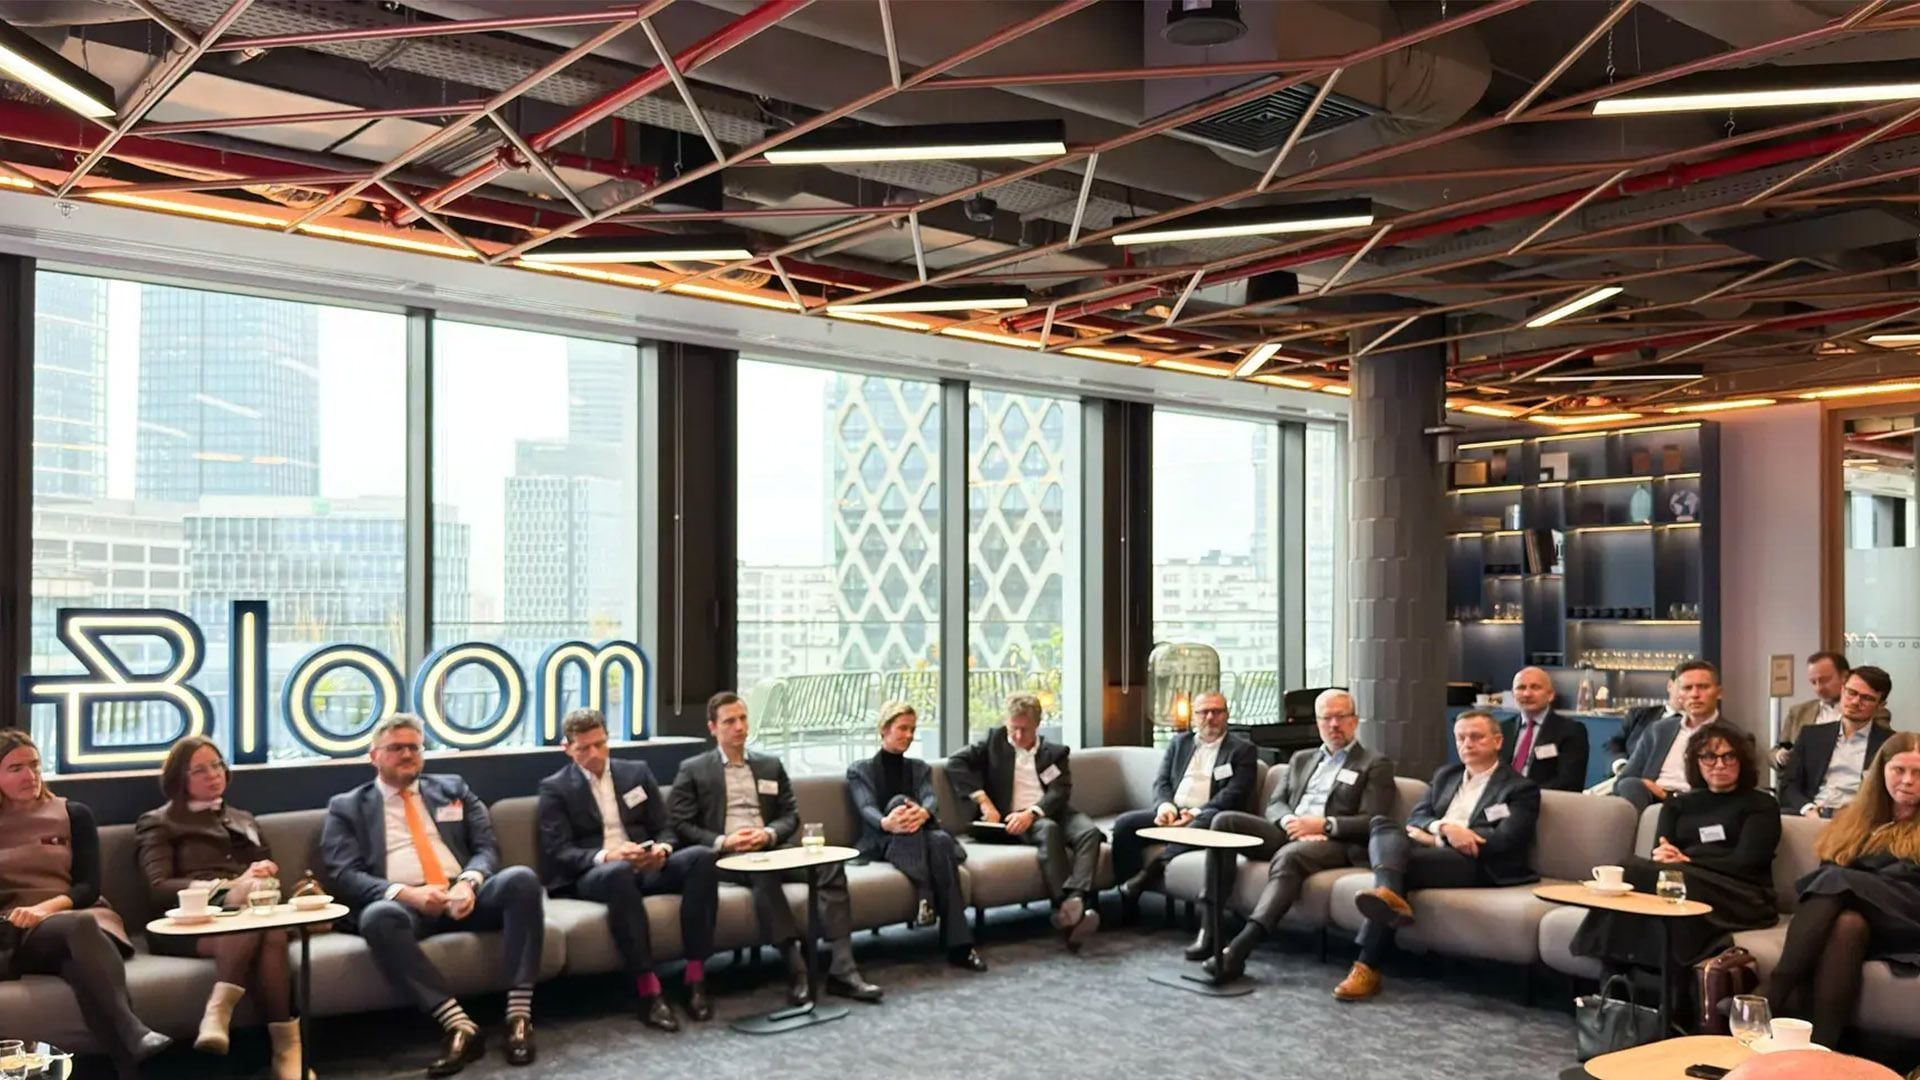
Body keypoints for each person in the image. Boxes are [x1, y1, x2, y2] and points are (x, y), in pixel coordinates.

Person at [319, 714, 542, 1076]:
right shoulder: (346, 807)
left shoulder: (453, 788)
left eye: (414, 747)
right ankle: (459, 1025)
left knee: (521, 879)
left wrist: (468, 882)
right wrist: (408, 894)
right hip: (407, 905)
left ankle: (518, 1016)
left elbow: (486, 846)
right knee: (377, 917)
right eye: (396, 748)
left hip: (464, 894)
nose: (407, 754)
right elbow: (344, 872)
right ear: (373, 755)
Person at [669, 692, 883, 1004]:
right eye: (730, 721)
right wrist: (723, 841)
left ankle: (843, 969)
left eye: (743, 719)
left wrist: (768, 833)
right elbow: (681, 824)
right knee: (763, 874)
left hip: (771, 847)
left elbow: (790, 815)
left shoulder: (769, 764)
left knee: (828, 865)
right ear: (713, 728)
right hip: (728, 856)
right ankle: (796, 968)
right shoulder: (693, 769)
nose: (740, 727)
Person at [1337, 711, 1540, 1002]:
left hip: (1479, 863)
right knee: (1381, 824)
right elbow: (1418, 816)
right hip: (1434, 847)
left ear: (1497, 741)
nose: (1467, 744)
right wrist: (1444, 828)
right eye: (1461, 738)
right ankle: (1387, 893)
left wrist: (1446, 837)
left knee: (1399, 867)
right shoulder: (1446, 775)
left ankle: (1366, 964)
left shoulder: (1520, 787)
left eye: (1476, 737)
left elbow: (1508, 839)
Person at [0, 730, 169, 1080]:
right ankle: (134, 1031)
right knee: (77, 930)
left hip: (79, 920)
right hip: (16, 932)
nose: (29, 776)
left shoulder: (73, 814)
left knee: (79, 953)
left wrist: (46, 909)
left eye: (34, 765)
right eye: (15, 768)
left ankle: (130, 1069)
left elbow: (88, 887)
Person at [536, 708, 717, 1032]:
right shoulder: (555, 788)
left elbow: (665, 828)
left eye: (600, 744)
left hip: (644, 864)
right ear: (567, 748)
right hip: (595, 874)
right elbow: (559, 852)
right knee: (618, 872)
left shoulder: (636, 772)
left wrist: (661, 850)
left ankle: (695, 976)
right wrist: (608, 855)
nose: (594, 755)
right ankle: (648, 989)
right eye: (583, 748)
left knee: (702, 858)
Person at [136, 735, 302, 1077]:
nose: (213, 774)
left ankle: (221, 1012)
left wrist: (264, 875)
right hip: (188, 922)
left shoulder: (243, 818)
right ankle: (287, 1051)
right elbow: (159, 888)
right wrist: (225, 890)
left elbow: (269, 872)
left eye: (217, 765)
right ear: (179, 778)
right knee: (263, 930)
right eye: (200, 769)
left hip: (248, 915)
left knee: (265, 930)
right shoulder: (159, 822)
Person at [1570, 720, 1779, 990]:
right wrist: (1668, 857)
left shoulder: (1761, 804)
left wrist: (1688, 861)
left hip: (1742, 893)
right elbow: (1662, 851)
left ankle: (1637, 986)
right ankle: (1621, 976)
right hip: (1683, 881)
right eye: (1709, 757)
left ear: (1742, 761)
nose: (1719, 764)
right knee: (1631, 870)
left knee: (1673, 881)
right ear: (1696, 761)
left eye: (1729, 756)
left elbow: (1747, 862)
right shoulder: (1678, 804)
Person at [1206, 689, 1395, 979]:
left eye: (1341, 717)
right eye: (1327, 718)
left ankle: (1243, 945)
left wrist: (1324, 825)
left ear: (1355, 721)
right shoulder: (1301, 758)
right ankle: (1211, 925)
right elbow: (1275, 803)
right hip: (1290, 830)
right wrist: (1290, 821)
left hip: (1335, 843)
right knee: (1223, 822)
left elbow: (1373, 820)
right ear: (1318, 723)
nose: (1334, 725)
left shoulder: (1374, 763)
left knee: (1290, 856)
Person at [1760, 731, 1920, 1049]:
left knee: (1838, 880)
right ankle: (1822, 1049)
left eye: (1918, 772)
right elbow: (1829, 866)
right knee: (1847, 925)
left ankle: (1772, 995)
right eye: (1898, 770)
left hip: (1910, 920)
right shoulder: (1857, 817)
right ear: (1882, 771)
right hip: (1865, 921)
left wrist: (1858, 879)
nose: (1907, 780)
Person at [946, 692, 1104, 951]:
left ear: (1037, 725)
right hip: (1013, 818)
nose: (1018, 737)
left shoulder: (1055, 753)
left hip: (1047, 811)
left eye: (1025, 730)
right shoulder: (994, 741)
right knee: (1049, 830)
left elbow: (1059, 792)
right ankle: (1065, 908)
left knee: (1090, 833)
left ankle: (1074, 899)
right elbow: (955, 763)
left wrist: (1032, 812)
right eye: (1013, 729)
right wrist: (983, 800)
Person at [847, 702, 986, 972]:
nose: (909, 735)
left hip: (921, 838)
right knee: (912, 813)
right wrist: (887, 822)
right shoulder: (859, 770)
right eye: (902, 729)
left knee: (941, 840)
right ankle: (956, 939)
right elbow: (866, 806)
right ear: (884, 730)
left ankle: (952, 935)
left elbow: (929, 798)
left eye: (912, 729)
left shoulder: (919, 767)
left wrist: (923, 813)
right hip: (882, 840)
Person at [1112, 691, 1258, 918]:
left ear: (1226, 715)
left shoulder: (1242, 749)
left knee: (1208, 820)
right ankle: (1128, 903)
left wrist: (1196, 812)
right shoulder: (1180, 743)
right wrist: (1165, 808)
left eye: (1216, 711)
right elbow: (1162, 781)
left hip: (1209, 814)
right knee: (1124, 824)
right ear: (1194, 717)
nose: (1210, 717)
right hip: (1174, 811)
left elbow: (1234, 793)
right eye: (1203, 712)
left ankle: (1149, 873)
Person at [1779, 666, 1894, 819]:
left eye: (1867, 698)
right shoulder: (1811, 735)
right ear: (1842, 690)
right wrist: (1808, 809)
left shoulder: (1890, 743)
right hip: (1812, 815)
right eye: (1851, 693)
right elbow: (1788, 785)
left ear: (1881, 705)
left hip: (1860, 819)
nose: (1855, 702)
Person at [1612, 659, 1726, 811]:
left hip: (1695, 806)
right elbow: (1624, 778)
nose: (1695, 694)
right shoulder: (1658, 730)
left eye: (1703, 687)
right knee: (1629, 784)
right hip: (1649, 801)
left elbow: (1731, 793)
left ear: (1719, 693)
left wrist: (1669, 797)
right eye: (1687, 688)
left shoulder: (1732, 737)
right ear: (1679, 694)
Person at [1501, 666, 1590, 792]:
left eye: (1535, 687)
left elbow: (1570, 783)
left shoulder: (1571, 731)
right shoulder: (1501, 730)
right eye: (1521, 688)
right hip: (1502, 802)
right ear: (1513, 695)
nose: (1527, 694)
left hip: (1545, 802)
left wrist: (1523, 796)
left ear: (1550, 695)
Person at [1774, 651, 1854, 769]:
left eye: (1825, 680)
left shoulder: (1863, 711)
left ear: (1844, 677)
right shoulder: (1798, 712)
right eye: (1813, 682)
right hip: (1803, 782)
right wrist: (1780, 756)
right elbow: (1778, 748)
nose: (1819, 688)